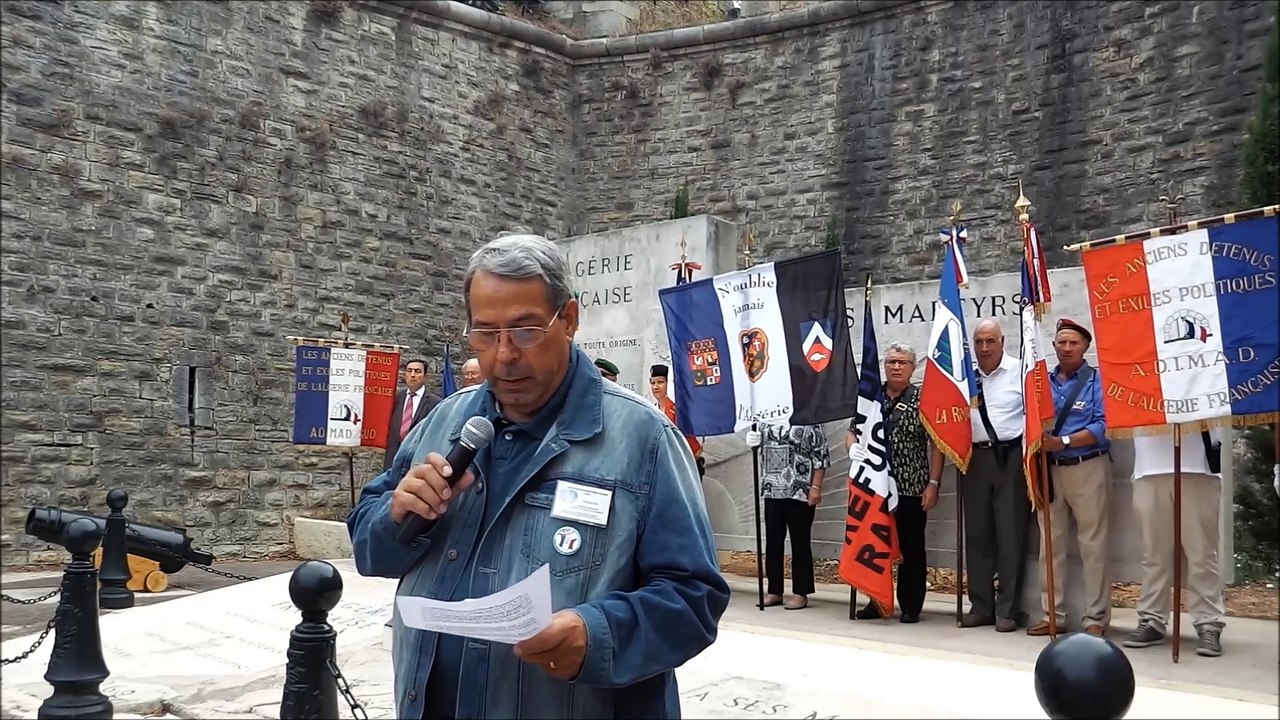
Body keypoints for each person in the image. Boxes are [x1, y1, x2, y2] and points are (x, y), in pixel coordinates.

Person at [347, 234, 729, 720]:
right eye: (486, 333)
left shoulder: (645, 440)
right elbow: (369, 548)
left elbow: (693, 598)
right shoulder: (443, 424)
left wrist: (598, 635)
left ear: (568, 320)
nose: (504, 354)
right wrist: (394, 515)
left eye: (525, 330)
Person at [1027, 317, 1112, 637]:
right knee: (1050, 544)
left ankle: (1095, 618)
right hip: (1048, 470)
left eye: (1073, 343)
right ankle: (1054, 614)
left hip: (1087, 466)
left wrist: (1063, 441)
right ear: (1053, 347)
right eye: (1061, 342)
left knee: (1093, 544)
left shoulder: (1096, 381)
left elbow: (1104, 426)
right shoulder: (1041, 382)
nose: (1066, 348)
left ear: (1085, 346)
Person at [847, 342, 944, 623]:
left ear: (913, 368)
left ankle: (911, 604)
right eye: (891, 362)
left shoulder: (923, 398)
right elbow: (853, 432)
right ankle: (876, 600)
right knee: (874, 544)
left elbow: (937, 444)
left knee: (912, 547)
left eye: (902, 362)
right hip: (874, 486)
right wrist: (853, 448)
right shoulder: (870, 398)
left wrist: (934, 483)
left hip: (911, 486)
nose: (896, 367)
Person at [1124, 428, 1226, 657]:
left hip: (1198, 465)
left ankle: (1208, 622)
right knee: (1153, 553)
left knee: (1202, 552)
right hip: (1149, 466)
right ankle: (1152, 619)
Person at [959, 320, 1031, 632]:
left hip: (1010, 457)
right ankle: (981, 606)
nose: (985, 348)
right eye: (979, 342)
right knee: (977, 535)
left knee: (1011, 535)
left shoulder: (1020, 371)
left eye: (990, 341)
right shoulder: (965, 377)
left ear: (1003, 341)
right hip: (974, 459)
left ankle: (1008, 609)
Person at [746, 423, 830, 610]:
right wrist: (753, 441)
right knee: (773, 541)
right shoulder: (767, 417)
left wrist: (816, 487)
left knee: (800, 542)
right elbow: (759, 445)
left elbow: (821, 455)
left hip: (799, 488)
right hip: (773, 488)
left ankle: (801, 592)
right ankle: (774, 590)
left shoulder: (810, 416)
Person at [383, 358, 440, 471]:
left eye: (417, 371)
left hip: (418, 461)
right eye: (409, 371)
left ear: (425, 377)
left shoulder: (435, 403)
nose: (412, 375)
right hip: (393, 461)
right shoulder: (395, 399)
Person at [649, 363, 705, 474]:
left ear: (668, 384)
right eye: (653, 383)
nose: (655, 387)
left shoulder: (681, 410)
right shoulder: (652, 410)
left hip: (686, 466)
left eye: (660, 382)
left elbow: (695, 440)